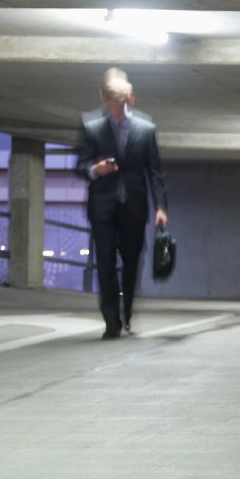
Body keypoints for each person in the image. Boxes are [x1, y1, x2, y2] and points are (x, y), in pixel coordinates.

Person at [75, 68, 169, 339]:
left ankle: (126, 311)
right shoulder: (91, 126)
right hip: (102, 207)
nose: (115, 110)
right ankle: (111, 321)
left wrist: (161, 207)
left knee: (130, 261)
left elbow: (155, 171)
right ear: (104, 99)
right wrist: (96, 169)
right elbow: (80, 166)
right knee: (104, 262)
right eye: (110, 104)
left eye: (120, 104)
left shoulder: (146, 129)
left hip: (134, 207)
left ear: (130, 100)